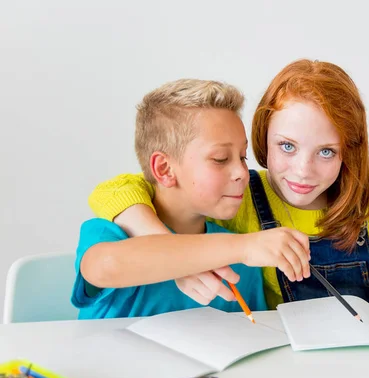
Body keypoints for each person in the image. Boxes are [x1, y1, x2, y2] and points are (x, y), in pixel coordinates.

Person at [86, 59, 369, 310]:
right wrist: (171, 249)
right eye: (287, 146)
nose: (303, 171)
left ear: (349, 151)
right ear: (263, 136)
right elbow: (123, 188)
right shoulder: (240, 196)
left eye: (326, 151)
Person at [73, 78, 310, 319]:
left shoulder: (240, 261)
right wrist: (246, 247)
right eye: (220, 159)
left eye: (242, 157)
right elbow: (105, 267)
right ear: (164, 169)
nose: (241, 173)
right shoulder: (111, 235)